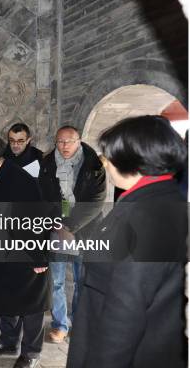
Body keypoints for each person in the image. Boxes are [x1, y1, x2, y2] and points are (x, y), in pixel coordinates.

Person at [68, 115, 187, 368]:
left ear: (131, 159)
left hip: (125, 350)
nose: (106, 165)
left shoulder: (152, 214)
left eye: (109, 157)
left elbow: (127, 309)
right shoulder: (147, 199)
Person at [0, 136, 48, 368]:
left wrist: (38, 256)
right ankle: (8, 341)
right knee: (6, 296)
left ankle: (31, 353)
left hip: (25, 252)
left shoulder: (19, 179)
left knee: (31, 304)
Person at [38, 126, 105, 344]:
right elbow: (43, 197)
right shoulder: (47, 165)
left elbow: (96, 201)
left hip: (85, 230)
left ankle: (79, 322)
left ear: (79, 141)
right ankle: (60, 325)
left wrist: (71, 228)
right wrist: (58, 225)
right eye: (60, 142)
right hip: (57, 228)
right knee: (56, 281)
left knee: (81, 280)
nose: (64, 146)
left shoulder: (93, 164)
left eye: (69, 141)